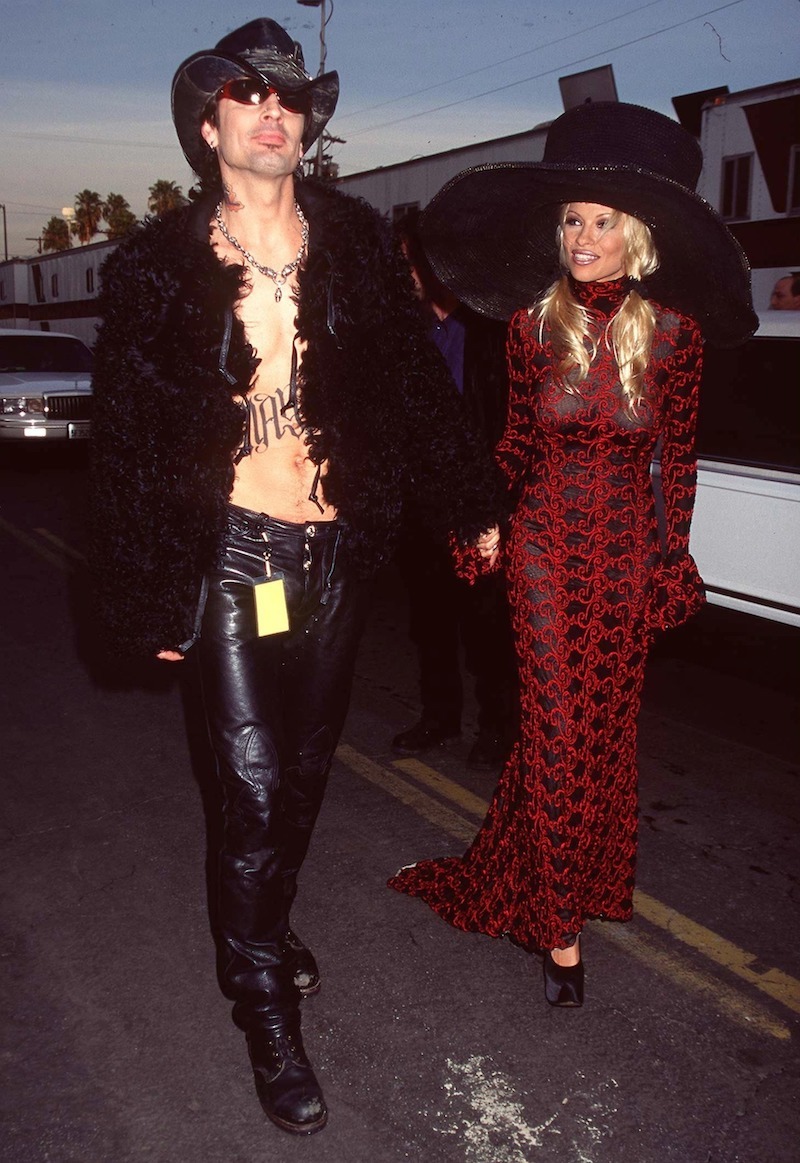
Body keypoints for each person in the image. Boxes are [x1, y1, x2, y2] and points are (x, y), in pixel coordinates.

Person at [89, 17, 502, 1136]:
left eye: (291, 98)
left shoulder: (358, 245)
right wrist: (139, 592)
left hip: (331, 554)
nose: (275, 112)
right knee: (255, 786)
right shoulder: (157, 265)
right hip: (226, 551)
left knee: (302, 779)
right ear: (208, 122)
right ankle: (263, 1000)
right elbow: (124, 436)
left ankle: (260, 921)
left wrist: (470, 501)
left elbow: (415, 388)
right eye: (249, 96)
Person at [389, 101, 757, 1008]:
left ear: (637, 234)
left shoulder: (675, 335)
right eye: (571, 220)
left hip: (629, 555)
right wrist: (480, 517)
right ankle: (559, 930)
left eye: (600, 221)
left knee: (601, 734)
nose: (582, 235)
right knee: (555, 727)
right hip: (547, 551)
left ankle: (561, 876)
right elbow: (513, 444)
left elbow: (679, 457)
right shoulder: (526, 327)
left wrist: (675, 557)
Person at [391, 211, 517, 768]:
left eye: (411, 261)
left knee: (488, 624)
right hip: (422, 503)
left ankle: (497, 728)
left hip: (479, 502)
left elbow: (508, 422)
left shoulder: (491, 331)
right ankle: (439, 718)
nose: (407, 273)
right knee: (431, 623)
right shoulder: (406, 335)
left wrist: (495, 503)